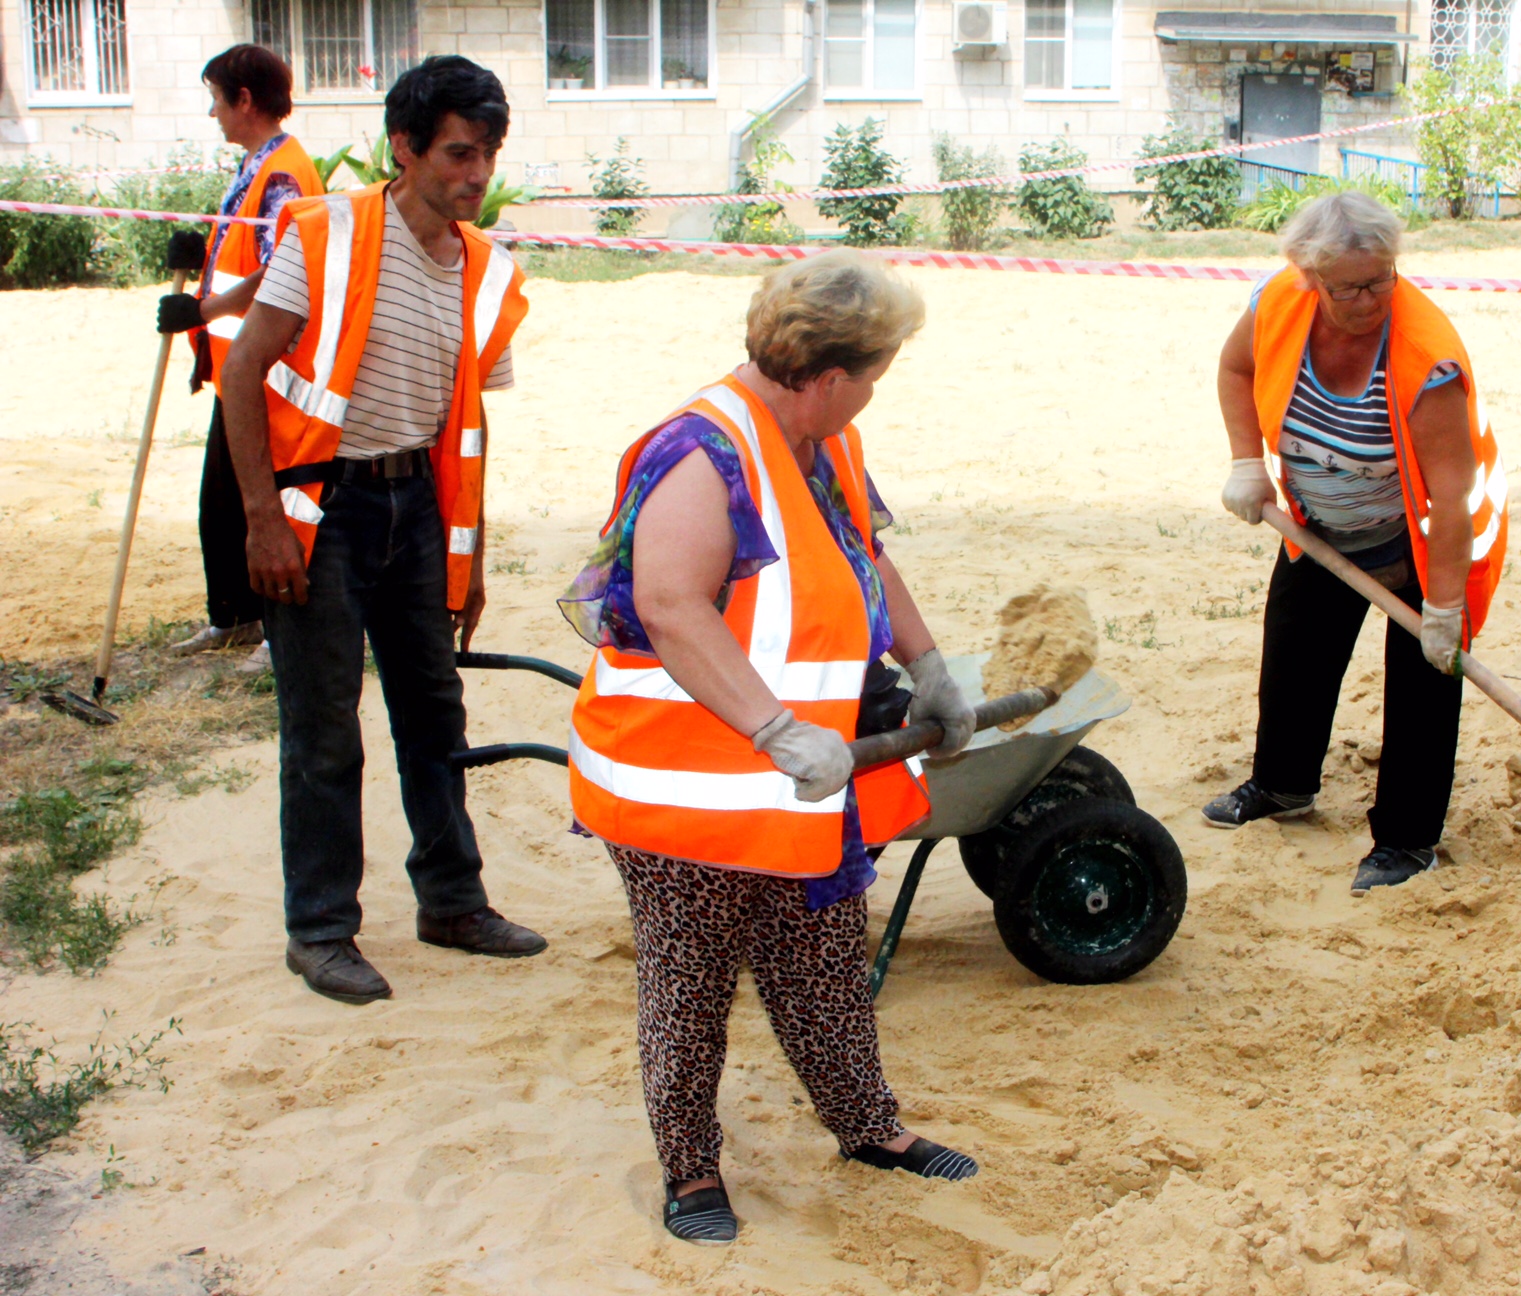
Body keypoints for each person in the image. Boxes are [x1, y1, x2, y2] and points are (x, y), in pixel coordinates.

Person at [560, 251, 981, 1246]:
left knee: (823, 959)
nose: (879, 388)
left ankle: (869, 1127)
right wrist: (778, 730)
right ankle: (692, 1171)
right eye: (877, 371)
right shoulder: (703, 452)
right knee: (689, 982)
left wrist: (930, 666)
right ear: (830, 374)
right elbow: (666, 603)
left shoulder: (824, 438)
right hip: (688, 784)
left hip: (797, 780)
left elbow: (865, 554)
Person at [220, 56, 545, 1004]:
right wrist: (263, 519)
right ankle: (320, 930)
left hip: (418, 512)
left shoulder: (486, 271)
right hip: (319, 513)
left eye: (489, 153)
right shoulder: (326, 233)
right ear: (405, 149)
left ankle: (452, 901)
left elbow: (468, 433)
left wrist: (467, 555)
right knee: (325, 736)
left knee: (435, 714)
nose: (477, 174)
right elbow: (243, 376)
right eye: (458, 152)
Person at [1204, 192, 1508, 896]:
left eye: (1382, 280)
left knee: (1425, 686)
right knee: (1294, 657)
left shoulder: (1427, 359)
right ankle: (1282, 786)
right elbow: (1236, 369)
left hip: (1417, 538)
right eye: (1350, 287)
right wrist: (1247, 462)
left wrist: (1442, 609)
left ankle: (1406, 841)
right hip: (1318, 528)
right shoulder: (1280, 304)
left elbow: (1454, 498)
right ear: (1311, 278)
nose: (1370, 298)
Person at [158, 44, 324, 672]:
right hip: (236, 370)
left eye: (217, 98)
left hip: (267, 372)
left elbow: (280, 271)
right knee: (220, 505)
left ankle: (276, 631)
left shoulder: (283, 172)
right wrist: (204, 248)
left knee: (270, 504)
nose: (212, 112)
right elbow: (247, 248)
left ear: (245, 100)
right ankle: (233, 617)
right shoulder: (257, 165)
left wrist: (201, 312)